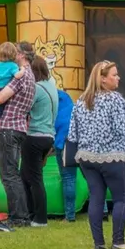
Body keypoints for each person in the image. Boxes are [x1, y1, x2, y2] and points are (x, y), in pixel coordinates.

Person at [68, 60, 125, 249]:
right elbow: (122, 126)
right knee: (121, 198)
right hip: (113, 156)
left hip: (86, 158)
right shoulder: (115, 99)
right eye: (114, 75)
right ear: (103, 79)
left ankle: (98, 242)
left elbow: (72, 134)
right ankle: (118, 241)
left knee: (96, 197)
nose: (118, 78)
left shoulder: (81, 101)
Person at [0, 48, 35, 228]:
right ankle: (21, 215)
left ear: (22, 55)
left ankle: (18, 217)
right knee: (13, 173)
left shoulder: (19, 75)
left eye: (16, 53)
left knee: (9, 175)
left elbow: (1, 98)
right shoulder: (30, 75)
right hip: (19, 127)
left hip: (8, 127)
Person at [20, 55, 58, 228]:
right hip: (48, 136)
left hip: (34, 136)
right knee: (25, 176)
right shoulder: (51, 86)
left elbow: (23, 107)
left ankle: (40, 218)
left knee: (34, 179)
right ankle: (30, 214)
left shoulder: (36, 88)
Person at [52, 88, 77, 221]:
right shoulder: (66, 99)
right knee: (92, 177)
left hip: (64, 142)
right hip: (82, 141)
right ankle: (103, 211)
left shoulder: (49, 103)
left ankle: (70, 215)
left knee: (68, 177)